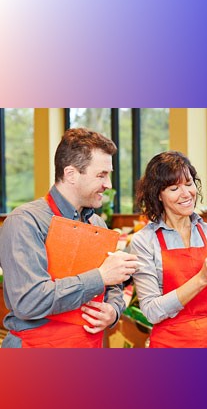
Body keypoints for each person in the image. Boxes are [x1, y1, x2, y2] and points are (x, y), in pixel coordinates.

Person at [0, 128, 139, 348]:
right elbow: (29, 301)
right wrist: (99, 276)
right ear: (71, 174)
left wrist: (113, 311)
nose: (109, 184)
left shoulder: (98, 224)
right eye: (101, 175)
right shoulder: (25, 221)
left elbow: (113, 286)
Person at [130, 151, 207, 348]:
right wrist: (201, 278)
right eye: (174, 188)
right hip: (171, 345)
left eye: (189, 184)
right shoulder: (144, 241)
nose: (186, 194)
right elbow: (151, 311)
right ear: (158, 194)